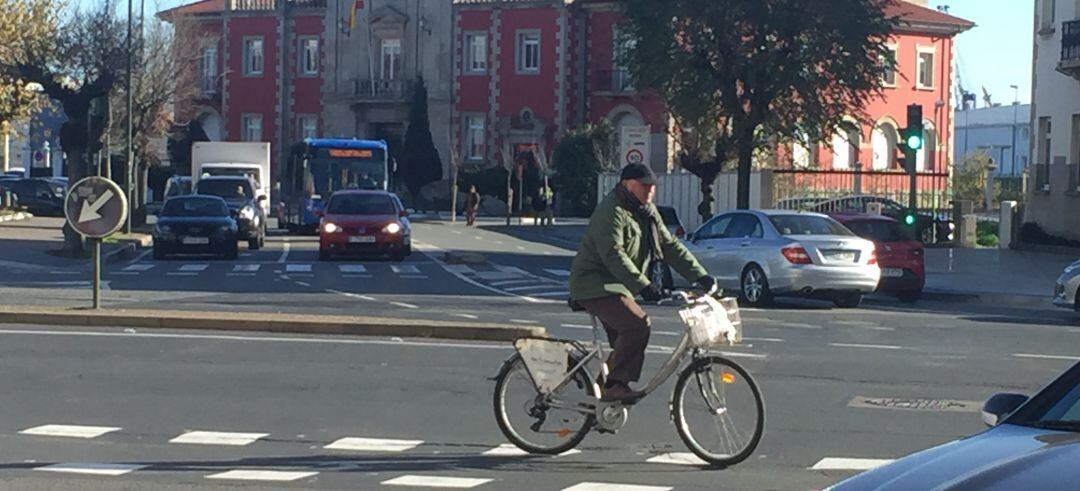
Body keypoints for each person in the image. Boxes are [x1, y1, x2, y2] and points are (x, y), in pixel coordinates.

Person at [568, 163, 715, 403]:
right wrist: (643, 285)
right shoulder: (611, 211)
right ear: (628, 184)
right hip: (594, 284)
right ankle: (614, 386)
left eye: (653, 187)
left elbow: (670, 246)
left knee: (624, 346)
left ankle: (598, 403)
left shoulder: (646, 211)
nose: (650, 191)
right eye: (645, 185)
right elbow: (614, 253)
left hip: (619, 286)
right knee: (637, 325)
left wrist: (700, 275)